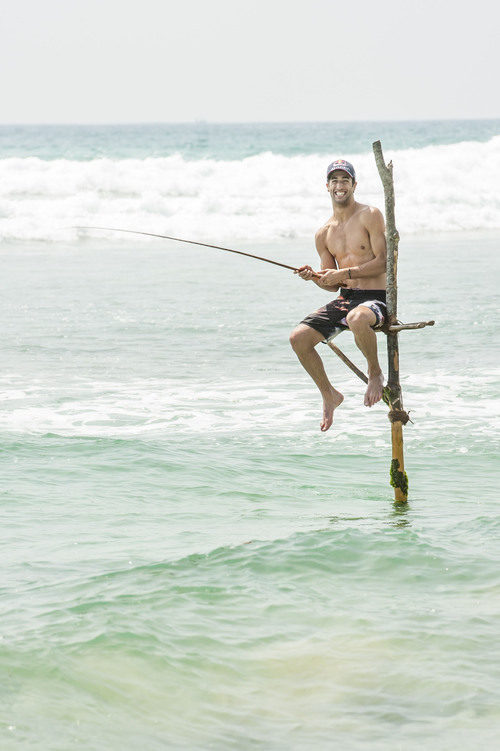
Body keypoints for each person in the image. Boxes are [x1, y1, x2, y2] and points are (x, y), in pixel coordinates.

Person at [289, 159, 387, 432]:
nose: (340, 185)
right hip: (345, 298)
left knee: (357, 318)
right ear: (327, 187)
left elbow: (384, 262)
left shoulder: (371, 214)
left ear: (354, 185)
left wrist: (344, 273)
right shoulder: (324, 233)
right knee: (298, 338)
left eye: (345, 180)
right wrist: (316, 278)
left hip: (374, 297)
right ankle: (329, 394)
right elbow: (332, 284)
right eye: (334, 180)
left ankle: (375, 373)